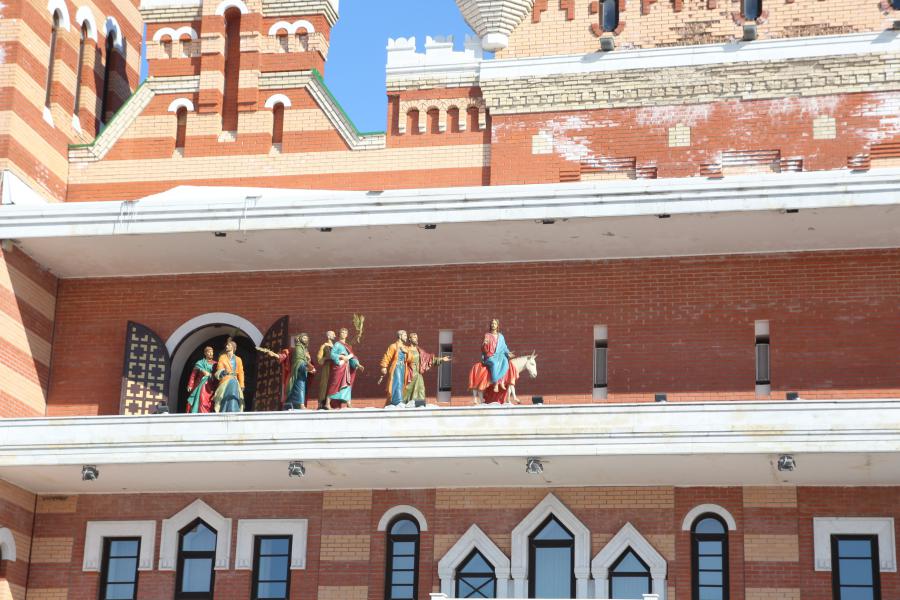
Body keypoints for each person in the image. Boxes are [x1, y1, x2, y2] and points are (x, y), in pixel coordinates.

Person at [258, 334, 316, 410]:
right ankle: (300, 405)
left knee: (299, 388)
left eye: (307, 338)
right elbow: (297, 360)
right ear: (300, 339)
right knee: (300, 388)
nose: (306, 339)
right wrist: (276, 355)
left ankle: (294, 404)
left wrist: (310, 367)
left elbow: (306, 361)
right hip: (297, 372)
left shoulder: (304, 350)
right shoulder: (297, 348)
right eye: (304, 338)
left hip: (303, 372)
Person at [468, 318, 518, 404]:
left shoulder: (501, 336)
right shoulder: (487, 335)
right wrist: (484, 344)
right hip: (490, 356)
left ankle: (501, 381)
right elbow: (483, 349)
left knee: (505, 362)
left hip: (500, 355)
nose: (493, 325)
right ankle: (496, 383)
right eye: (492, 323)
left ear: (497, 325)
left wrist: (508, 353)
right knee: (494, 364)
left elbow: (504, 347)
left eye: (495, 324)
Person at [404, 332, 450, 405]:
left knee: (421, 388)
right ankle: (405, 403)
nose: (416, 339)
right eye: (414, 337)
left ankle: (419, 404)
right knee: (407, 390)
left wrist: (441, 359)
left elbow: (429, 359)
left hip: (418, 374)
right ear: (410, 339)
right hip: (409, 373)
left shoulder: (419, 351)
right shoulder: (406, 349)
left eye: (417, 337)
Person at [326, 328, 364, 408]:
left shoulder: (348, 346)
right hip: (339, 366)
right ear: (339, 334)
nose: (343, 334)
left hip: (346, 368)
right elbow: (332, 354)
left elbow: (352, 357)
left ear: (347, 335)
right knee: (335, 383)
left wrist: (358, 365)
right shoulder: (337, 344)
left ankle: (348, 403)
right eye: (342, 332)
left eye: (345, 333)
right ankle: (327, 403)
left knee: (347, 384)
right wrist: (341, 356)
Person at [213, 339, 245, 412]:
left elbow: (241, 373)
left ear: (233, 347)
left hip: (234, 379)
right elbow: (219, 368)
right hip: (225, 379)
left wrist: (242, 384)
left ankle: (233, 408)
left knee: (234, 385)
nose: (226, 346)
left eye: (229, 345)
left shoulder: (238, 359)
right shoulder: (222, 357)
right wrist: (223, 372)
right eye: (226, 345)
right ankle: (225, 409)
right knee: (228, 387)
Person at [380, 330, 410, 406]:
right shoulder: (393, 346)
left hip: (403, 368)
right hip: (396, 367)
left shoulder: (405, 348)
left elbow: (411, 358)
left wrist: (406, 352)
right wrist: (384, 366)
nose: (406, 337)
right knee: (397, 382)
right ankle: (397, 401)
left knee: (403, 384)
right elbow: (387, 356)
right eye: (405, 335)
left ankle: (401, 400)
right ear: (400, 336)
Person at [186, 346, 218, 413]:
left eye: (212, 352)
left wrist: (210, 375)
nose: (211, 353)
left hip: (211, 385)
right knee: (201, 399)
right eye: (209, 352)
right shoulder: (200, 363)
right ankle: (200, 412)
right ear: (205, 353)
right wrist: (190, 384)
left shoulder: (215, 364)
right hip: (201, 384)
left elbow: (217, 376)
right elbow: (193, 375)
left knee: (210, 402)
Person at [316, 331, 336, 410]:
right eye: (333, 334)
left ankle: (331, 403)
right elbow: (319, 359)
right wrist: (326, 358)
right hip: (327, 367)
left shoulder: (335, 346)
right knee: (324, 384)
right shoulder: (324, 346)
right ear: (328, 336)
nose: (335, 336)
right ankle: (321, 403)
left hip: (334, 367)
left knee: (333, 383)